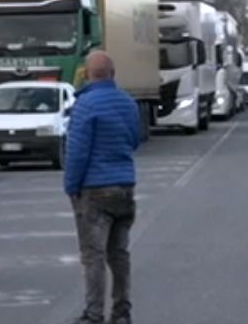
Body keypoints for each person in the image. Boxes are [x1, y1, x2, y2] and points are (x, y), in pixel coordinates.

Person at [64, 51, 139, 324]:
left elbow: (77, 152)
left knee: (93, 255)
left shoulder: (85, 105)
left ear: (87, 73)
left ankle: (94, 314)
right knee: (119, 254)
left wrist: (71, 185)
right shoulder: (128, 103)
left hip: (94, 189)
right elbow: (134, 139)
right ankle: (122, 311)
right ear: (112, 73)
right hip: (124, 185)